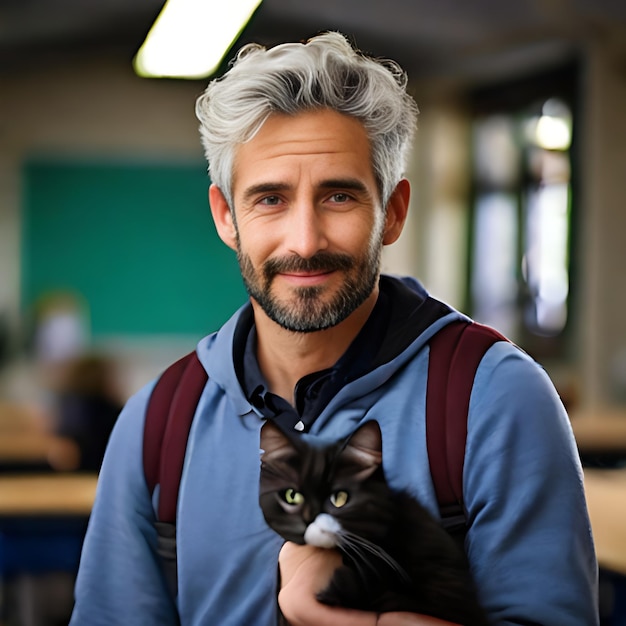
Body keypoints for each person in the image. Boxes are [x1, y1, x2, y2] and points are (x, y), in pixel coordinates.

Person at [69, 32, 598, 625]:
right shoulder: (157, 423)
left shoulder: (496, 398)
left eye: (339, 196)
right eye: (269, 199)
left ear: (392, 211)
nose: (305, 240)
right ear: (226, 216)